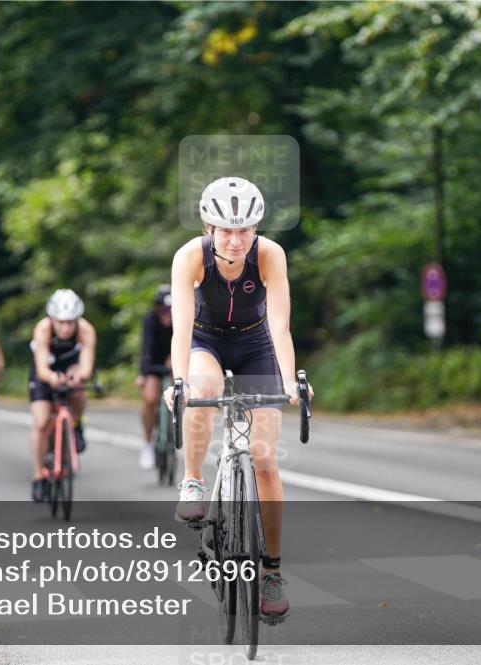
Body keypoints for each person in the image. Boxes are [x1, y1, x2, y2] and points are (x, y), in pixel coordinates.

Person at [165, 176, 314, 622]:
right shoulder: (190, 257)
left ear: (257, 229)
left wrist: (289, 381)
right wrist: (179, 383)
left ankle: (272, 572)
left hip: (255, 344)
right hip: (206, 341)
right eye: (225, 230)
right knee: (204, 388)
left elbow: (280, 325)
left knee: (265, 459)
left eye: (244, 230)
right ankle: (193, 479)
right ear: (208, 228)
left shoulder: (270, 255)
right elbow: (182, 328)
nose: (235, 240)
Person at [28, 289, 96, 502]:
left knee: (79, 388)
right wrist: (51, 378)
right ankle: (38, 475)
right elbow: (41, 368)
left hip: (71, 366)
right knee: (41, 422)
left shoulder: (86, 330)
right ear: (52, 319)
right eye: (60, 322)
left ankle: (76, 424)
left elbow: (86, 366)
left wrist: (78, 376)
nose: (65, 328)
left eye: (70, 322)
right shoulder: (43, 329)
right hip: (46, 370)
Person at [135, 284, 173, 469]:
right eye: (164, 309)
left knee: (183, 393)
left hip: (175, 363)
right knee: (149, 398)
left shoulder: (183, 317)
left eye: (171, 309)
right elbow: (146, 348)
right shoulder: (151, 319)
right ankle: (148, 442)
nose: (168, 314)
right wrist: (142, 373)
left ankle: (175, 430)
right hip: (154, 364)